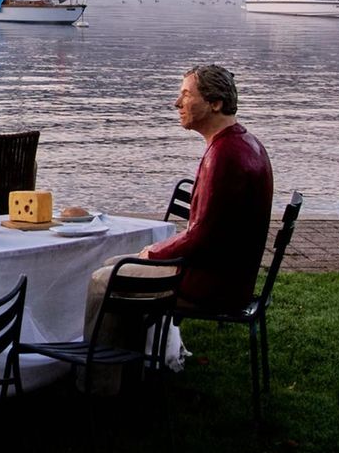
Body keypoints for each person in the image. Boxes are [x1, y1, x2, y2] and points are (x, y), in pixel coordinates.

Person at [81, 64, 273, 390]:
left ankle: (97, 386)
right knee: (115, 266)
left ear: (214, 103)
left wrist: (153, 251)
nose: (177, 103)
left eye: (186, 94)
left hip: (212, 285)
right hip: (231, 276)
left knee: (104, 280)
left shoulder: (223, 155)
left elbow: (202, 235)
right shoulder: (245, 143)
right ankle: (131, 372)